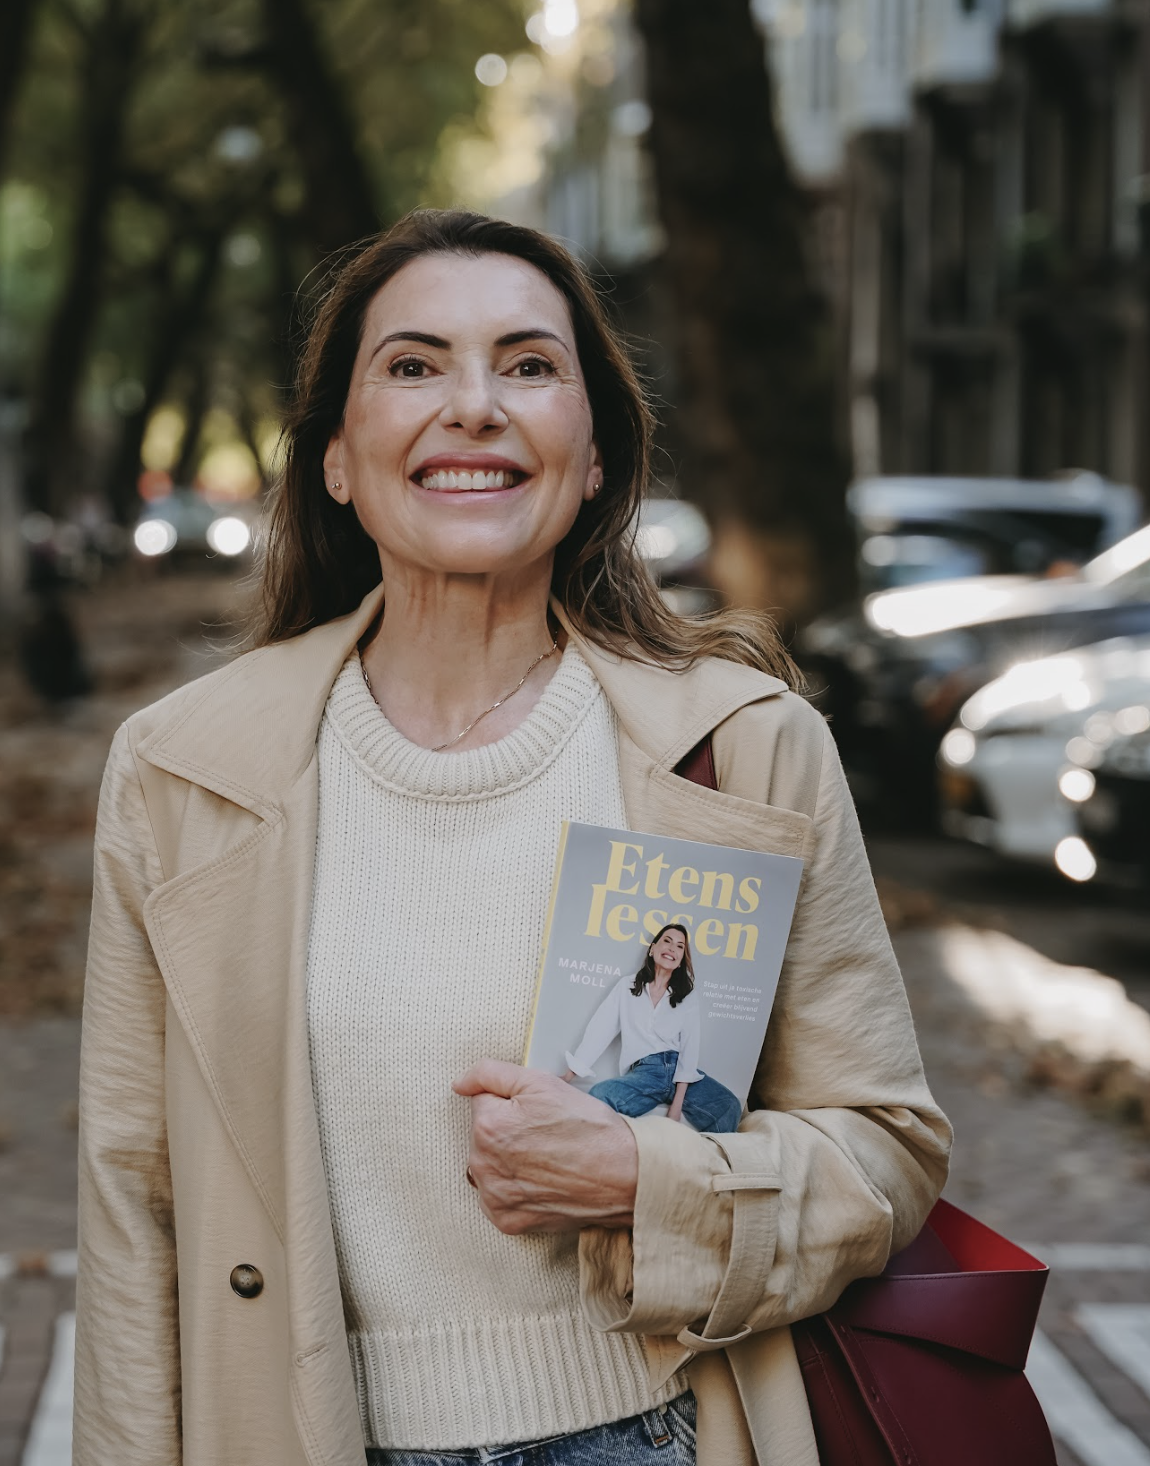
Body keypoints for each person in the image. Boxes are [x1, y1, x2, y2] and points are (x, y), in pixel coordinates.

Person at [73, 209, 951, 1466]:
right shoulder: (181, 772)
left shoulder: (741, 748)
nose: (474, 405)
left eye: (530, 365)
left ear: (591, 457)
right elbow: (131, 1203)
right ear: (334, 457)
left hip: (657, 1429)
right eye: (414, 364)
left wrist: (648, 1179)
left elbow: (885, 1150)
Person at [564, 924, 742, 1133]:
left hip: (679, 1071)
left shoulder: (687, 996)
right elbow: (600, 1031)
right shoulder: (626, 987)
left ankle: (710, 1163)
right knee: (600, 1094)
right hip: (645, 1072)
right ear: (652, 948)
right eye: (667, 941)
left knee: (730, 1105)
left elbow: (689, 1048)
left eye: (680, 946)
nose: (672, 948)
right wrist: (569, 1076)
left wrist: (676, 1107)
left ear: (681, 960)